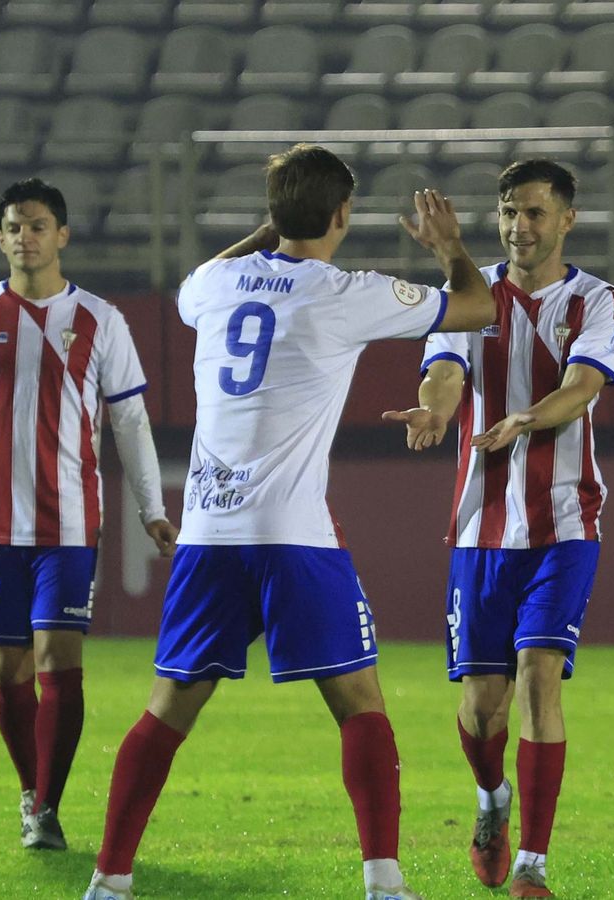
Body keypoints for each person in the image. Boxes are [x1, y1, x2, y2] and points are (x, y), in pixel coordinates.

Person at [81, 145, 495, 900]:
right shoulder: (344, 292)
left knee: (168, 708)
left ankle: (109, 879)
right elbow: (477, 307)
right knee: (359, 704)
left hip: (208, 534)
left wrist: (268, 232)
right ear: (343, 215)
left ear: (272, 214)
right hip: (295, 534)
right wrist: (450, 248)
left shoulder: (213, 284)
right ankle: (383, 882)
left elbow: (192, 281)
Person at [383, 159, 614, 899]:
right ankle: (492, 801)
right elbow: (446, 372)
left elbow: (584, 386)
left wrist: (528, 415)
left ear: (566, 220)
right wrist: (434, 406)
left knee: (538, 679)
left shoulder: (598, 300)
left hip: (564, 522)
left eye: (535, 213)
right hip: (480, 530)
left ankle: (533, 865)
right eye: (509, 213)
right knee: (481, 705)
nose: (520, 226)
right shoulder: (470, 295)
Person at [0, 178, 178, 851]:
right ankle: (31, 788)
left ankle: (49, 808)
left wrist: (153, 508)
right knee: (8, 672)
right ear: (0, 237)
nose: (24, 237)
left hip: (68, 525)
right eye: (13, 226)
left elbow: (129, 418)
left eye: (37, 226)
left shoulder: (99, 319)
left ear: (61, 235)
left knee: (57, 661)